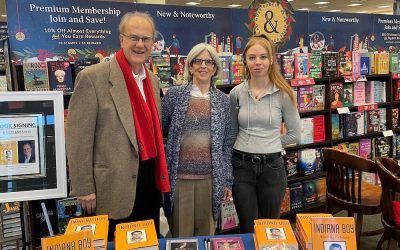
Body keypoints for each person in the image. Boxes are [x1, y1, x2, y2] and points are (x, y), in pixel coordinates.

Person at [66, 11, 170, 240]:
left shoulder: (152, 81)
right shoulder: (93, 78)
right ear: (121, 39)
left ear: (154, 42)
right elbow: (78, 139)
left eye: (146, 39)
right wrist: (84, 188)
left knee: (146, 243)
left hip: (149, 184)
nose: (140, 44)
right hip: (111, 190)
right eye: (134, 38)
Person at [229, 34, 300, 233]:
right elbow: (233, 132)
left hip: (272, 169)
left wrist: (271, 143)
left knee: (271, 228)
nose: (257, 62)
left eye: (262, 57)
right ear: (245, 61)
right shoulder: (236, 93)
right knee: (247, 227)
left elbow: (295, 134)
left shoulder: (284, 93)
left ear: (271, 60)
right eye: (252, 58)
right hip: (241, 167)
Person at [162, 43, 234, 237]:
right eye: (198, 61)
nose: (203, 66)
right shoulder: (174, 96)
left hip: (210, 181)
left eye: (208, 62)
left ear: (215, 68)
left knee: (206, 236)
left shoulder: (223, 101)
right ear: (190, 66)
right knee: (181, 237)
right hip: (179, 179)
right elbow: (160, 132)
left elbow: (227, 144)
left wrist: (227, 180)